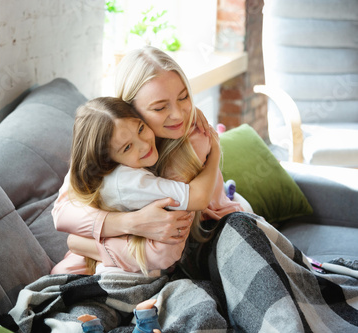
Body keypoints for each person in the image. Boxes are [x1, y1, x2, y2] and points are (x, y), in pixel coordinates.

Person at [52, 45, 248, 276]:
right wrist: (131, 222)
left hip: (177, 247)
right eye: (160, 107)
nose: (179, 115)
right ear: (129, 109)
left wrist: (81, 242)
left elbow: (164, 246)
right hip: (120, 249)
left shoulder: (192, 140)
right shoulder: (109, 134)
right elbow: (63, 213)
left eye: (184, 97)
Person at [55, 96, 221, 276]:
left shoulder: (121, 129)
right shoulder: (126, 179)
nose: (143, 146)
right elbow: (61, 215)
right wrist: (216, 153)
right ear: (106, 161)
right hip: (89, 272)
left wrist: (186, 113)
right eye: (127, 147)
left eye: (141, 128)